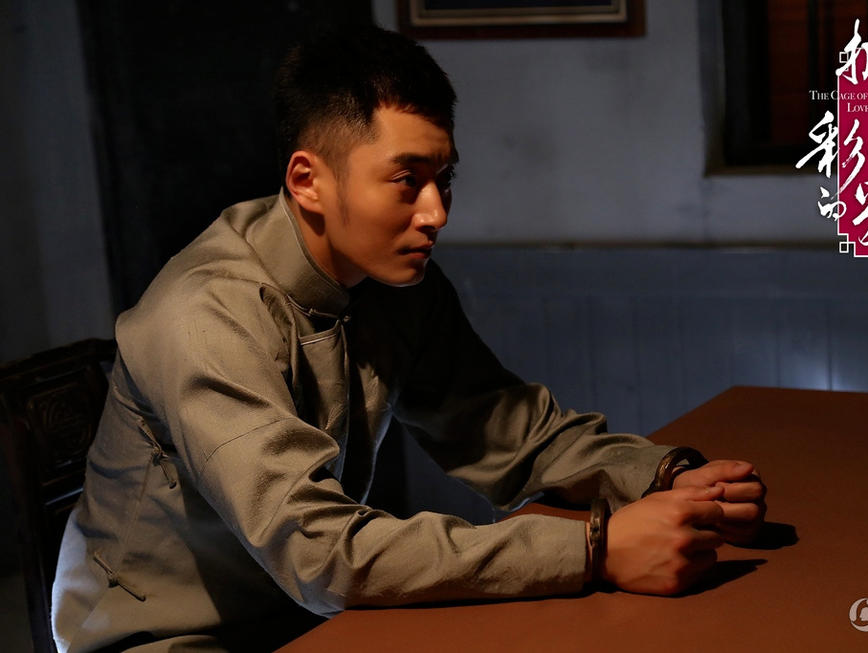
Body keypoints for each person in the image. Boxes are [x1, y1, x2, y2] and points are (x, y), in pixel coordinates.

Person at [51, 26, 766, 652]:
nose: (436, 213)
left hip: (306, 615)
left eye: (443, 178)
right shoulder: (203, 316)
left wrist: (661, 475)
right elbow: (320, 554)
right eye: (406, 180)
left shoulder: (396, 285)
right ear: (307, 180)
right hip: (167, 638)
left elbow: (508, 433)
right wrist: (595, 547)